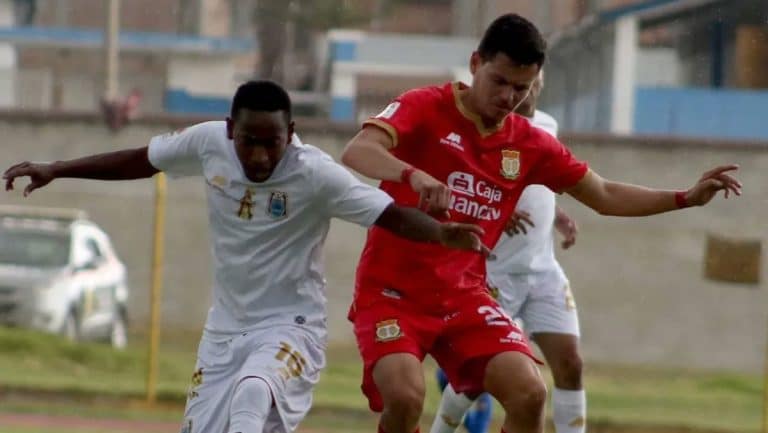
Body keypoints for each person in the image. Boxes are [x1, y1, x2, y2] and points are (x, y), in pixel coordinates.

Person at [2, 80, 490, 433]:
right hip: (224, 332)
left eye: (271, 143)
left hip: (291, 327)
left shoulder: (314, 174)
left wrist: (443, 234)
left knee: (254, 392)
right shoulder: (207, 143)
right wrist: (57, 169)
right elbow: (139, 160)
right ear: (231, 129)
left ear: (290, 133)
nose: (258, 156)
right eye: (248, 142)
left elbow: (388, 214)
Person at [340, 13, 741, 433]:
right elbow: (358, 150)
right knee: (405, 398)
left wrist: (684, 198)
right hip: (392, 292)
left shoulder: (530, 143)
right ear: (476, 64)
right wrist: (413, 175)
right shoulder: (425, 105)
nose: (509, 97)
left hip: (463, 296)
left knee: (530, 393)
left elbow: (604, 194)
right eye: (499, 81)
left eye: (521, 87)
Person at [430, 71, 587, 433]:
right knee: (476, 378)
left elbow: (543, 177)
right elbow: (461, 179)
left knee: (571, 364)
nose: (529, 92)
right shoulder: (484, 127)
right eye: (521, 84)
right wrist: (500, 204)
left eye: (535, 85)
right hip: (495, 272)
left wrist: (556, 215)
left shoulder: (547, 125)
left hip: (543, 269)